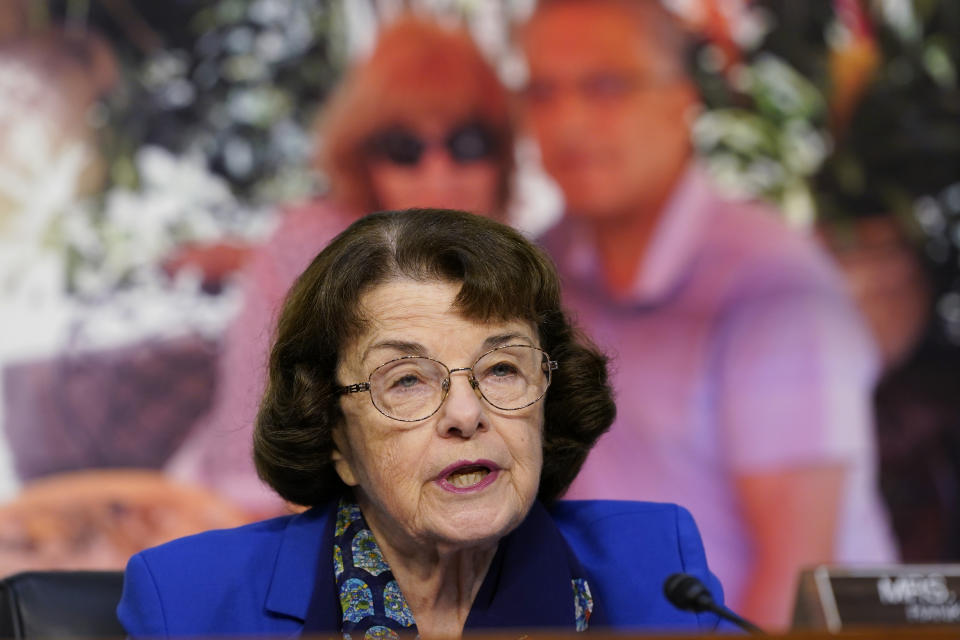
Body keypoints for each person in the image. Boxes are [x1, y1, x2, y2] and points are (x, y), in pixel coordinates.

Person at [118, 209, 731, 638]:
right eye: (407, 380)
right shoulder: (189, 602)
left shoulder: (657, 567)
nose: (467, 414)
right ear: (335, 438)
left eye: (500, 369)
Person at [519, 0, 896, 628]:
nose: (569, 120)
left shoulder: (771, 287)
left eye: (606, 86)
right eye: (542, 92)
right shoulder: (545, 269)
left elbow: (797, 584)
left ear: (681, 100)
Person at [165, 16, 514, 516]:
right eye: (404, 148)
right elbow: (251, 442)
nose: (439, 172)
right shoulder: (310, 250)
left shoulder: (517, 263)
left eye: (467, 144)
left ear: (502, 156)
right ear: (363, 157)